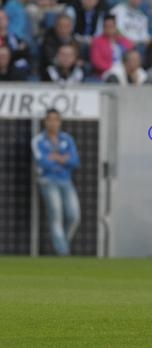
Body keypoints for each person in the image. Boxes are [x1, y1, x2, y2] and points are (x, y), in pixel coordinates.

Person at [31, 108, 81, 256]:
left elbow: (75, 161)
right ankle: (63, 251)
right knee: (56, 214)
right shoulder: (38, 140)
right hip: (47, 181)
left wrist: (56, 158)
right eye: (49, 119)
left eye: (55, 119)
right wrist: (62, 160)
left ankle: (63, 243)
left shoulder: (67, 139)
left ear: (59, 122)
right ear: (45, 122)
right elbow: (42, 162)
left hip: (66, 181)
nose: (52, 123)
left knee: (74, 215)